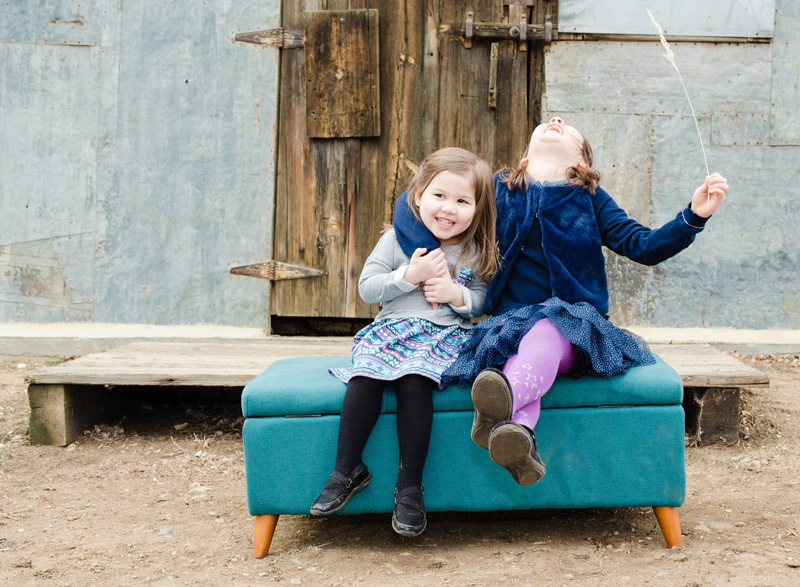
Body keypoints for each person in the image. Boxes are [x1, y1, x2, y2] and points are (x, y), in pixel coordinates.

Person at [393, 117, 729, 487]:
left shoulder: (591, 199)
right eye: (548, 122)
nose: (555, 121)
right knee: (526, 351)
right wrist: (427, 262)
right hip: (508, 325)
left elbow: (644, 245)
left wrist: (694, 215)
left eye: (568, 127)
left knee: (546, 332)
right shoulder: (499, 189)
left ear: (581, 166)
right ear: (523, 161)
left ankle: (500, 403)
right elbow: (409, 205)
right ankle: (518, 434)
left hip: (573, 325)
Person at [310, 147, 500, 536]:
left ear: (477, 209)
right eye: (440, 196)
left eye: (463, 201)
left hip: (444, 334)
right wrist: (408, 276)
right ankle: (346, 469)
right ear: (418, 196)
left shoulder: (474, 250)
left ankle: (409, 488)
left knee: (415, 382)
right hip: (392, 330)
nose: (449, 209)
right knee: (366, 375)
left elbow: (482, 300)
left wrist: (454, 293)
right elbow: (367, 288)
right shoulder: (395, 240)